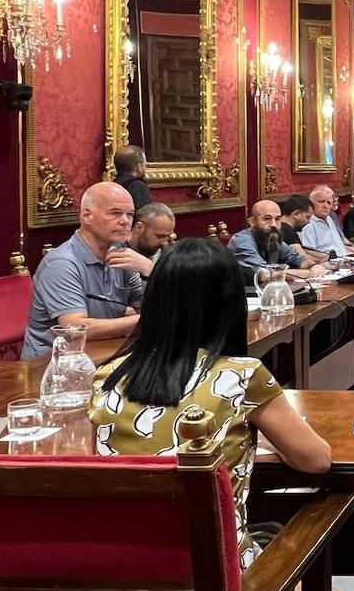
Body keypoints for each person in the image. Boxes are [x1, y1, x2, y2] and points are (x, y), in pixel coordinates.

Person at [89, 238, 332, 570]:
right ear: (229, 305)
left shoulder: (107, 376)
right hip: (220, 568)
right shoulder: (241, 375)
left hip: (128, 567)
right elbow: (315, 460)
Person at [22, 182, 143, 360]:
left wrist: (150, 269)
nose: (125, 221)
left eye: (130, 214)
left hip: (105, 352)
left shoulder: (123, 256)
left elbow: (149, 304)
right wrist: (146, 320)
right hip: (52, 363)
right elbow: (75, 328)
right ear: (87, 216)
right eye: (115, 213)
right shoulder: (62, 263)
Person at [230, 200, 319, 276]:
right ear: (252, 222)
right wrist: (309, 272)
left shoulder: (272, 238)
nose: (273, 224)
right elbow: (264, 274)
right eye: (267, 219)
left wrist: (314, 266)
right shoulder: (241, 240)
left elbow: (299, 260)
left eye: (277, 219)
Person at [106, 201, 177, 280]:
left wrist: (150, 270)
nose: (164, 243)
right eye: (160, 236)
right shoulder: (116, 254)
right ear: (139, 228)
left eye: (168, 236)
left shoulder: (165, 253)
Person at [300, 185, 352, 258]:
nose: (325, 206)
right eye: (321, 202)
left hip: (344, 258)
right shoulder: (308, 224)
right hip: (327, 261)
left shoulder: (330, 218)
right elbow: (308, 252)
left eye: (329, 203)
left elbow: (337, 246)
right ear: (311, 204)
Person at [279, 194, 329, 263]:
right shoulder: (287, 231)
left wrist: (325, 256)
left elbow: (303, 249)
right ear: (296, 214)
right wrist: (322, 260)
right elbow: (303, 258)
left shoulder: (284, 228)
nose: (309, 222)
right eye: (307, 217)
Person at [112, 145, 153, 211]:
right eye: (145, 163)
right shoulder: (138, 186)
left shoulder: (112, 187)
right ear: (139, 166)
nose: (146, 165)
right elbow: (145, 214)